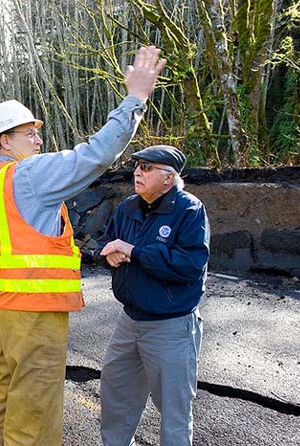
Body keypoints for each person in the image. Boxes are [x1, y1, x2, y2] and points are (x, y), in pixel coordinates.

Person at [0, 46, 167, 446]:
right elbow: (95, 155)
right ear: (5, 142)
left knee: (6, 402)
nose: (39, 139)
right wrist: (136, 99)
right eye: (29, 133)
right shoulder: (27, 176)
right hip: (34, 317)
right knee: (35, 417)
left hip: (4, 312)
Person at [97, 145, 210, 446]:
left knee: (174, 411)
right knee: (116, 394)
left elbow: (189, 266)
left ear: (169, 178)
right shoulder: (127, 207)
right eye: (136, 166)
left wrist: (134, 252)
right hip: (129, 321)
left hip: (170, 327)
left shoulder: (189, 210)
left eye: (146, 167)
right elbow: (105, 243)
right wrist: (107, 255)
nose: (137, 172)